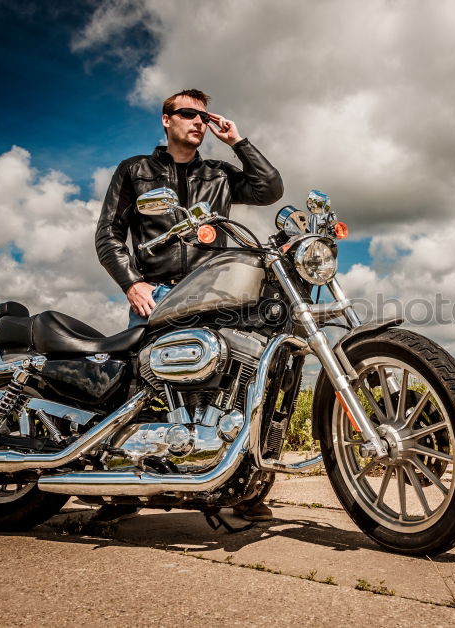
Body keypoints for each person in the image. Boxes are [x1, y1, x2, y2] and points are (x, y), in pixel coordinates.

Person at [93, 89, 283, 524]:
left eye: (204, 116)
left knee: (237, 384)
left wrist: (238, 141)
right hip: (156, 291)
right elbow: (108, 234)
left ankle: (242, 489)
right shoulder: (135, 170)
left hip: (214, 290)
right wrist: (131, 282)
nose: (198, 122)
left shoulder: (218, 173)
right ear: (166, 119)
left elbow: (269, 188)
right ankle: (116, 489)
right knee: (135, 385)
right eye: (188, 114)